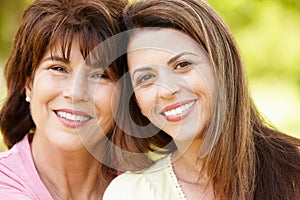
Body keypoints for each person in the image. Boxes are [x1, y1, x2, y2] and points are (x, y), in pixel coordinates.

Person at [104, 0, 300, 199]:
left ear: (221, 64)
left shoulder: (293, 174)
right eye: (146, 78)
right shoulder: (132, 192)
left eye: (182, 65)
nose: (167, 91)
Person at [0, 0, 127, 199]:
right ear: (29, 83)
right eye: (58, 69)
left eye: (100, 75)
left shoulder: (148, 187)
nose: (76, 93)